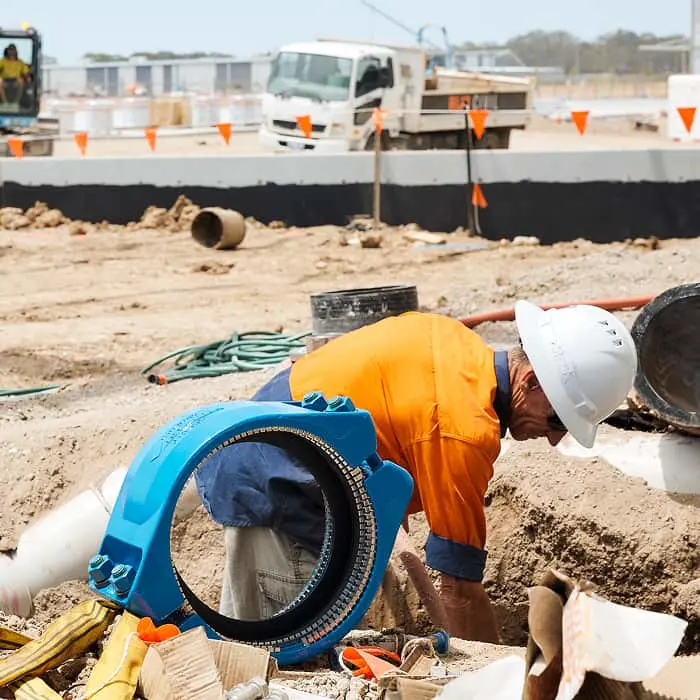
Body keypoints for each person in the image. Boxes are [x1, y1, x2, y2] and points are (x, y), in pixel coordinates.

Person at [194, 300, 638, 642]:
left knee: (287, 629)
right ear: (532, 382)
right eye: (558, 419)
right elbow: (460, 588)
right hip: (276, 479)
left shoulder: (455, 342)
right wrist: (494, 675)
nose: (555, 438)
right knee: (285, 651)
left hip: (274, 445)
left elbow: (382, 439)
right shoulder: (464, 430)